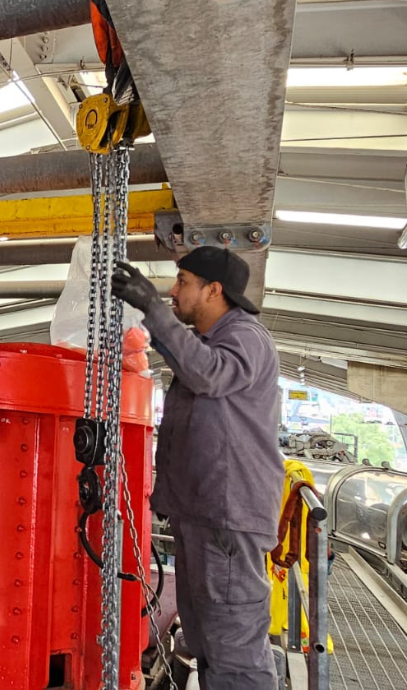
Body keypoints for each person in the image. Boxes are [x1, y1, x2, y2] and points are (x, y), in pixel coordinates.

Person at [111, 246, 282, 689]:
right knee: (206, 641)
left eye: (183, 281)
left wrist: (150, 306)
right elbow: (193, 363)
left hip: (227, 521)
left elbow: (209, 374)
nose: (173, 290)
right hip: (203, 517)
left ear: (213, 290)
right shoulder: (210, 343)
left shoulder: (246, 337)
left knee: (233, 651)